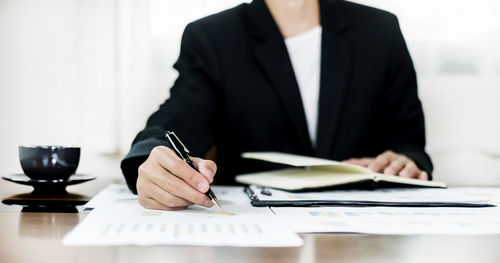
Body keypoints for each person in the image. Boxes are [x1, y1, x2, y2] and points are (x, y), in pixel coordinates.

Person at [121, 0, 433, 210]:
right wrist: (150, 162)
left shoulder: (380, 31)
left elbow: (409, 143)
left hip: (362, 233)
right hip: (257, 237)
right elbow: (175, 124)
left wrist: (406, 160)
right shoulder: (213, 38)